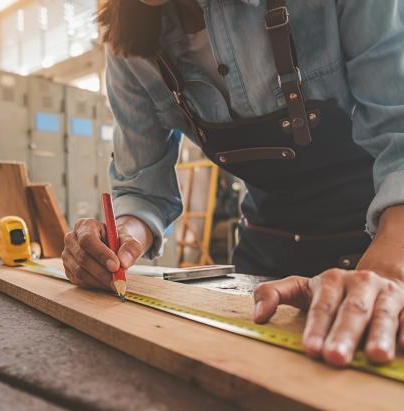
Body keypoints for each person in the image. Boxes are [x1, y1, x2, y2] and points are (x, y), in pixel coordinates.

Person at [62, 0, 404, 367]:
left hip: (383, 244)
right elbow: (143, 189)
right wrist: (120, 241)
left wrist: (387, 273)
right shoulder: (127, 41)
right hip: (264, 251)